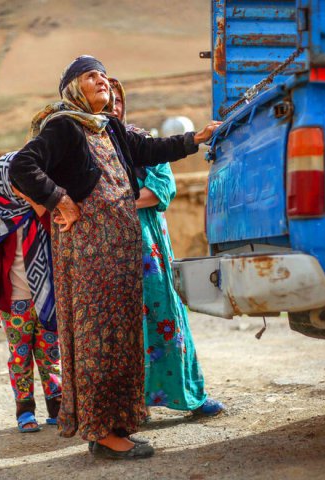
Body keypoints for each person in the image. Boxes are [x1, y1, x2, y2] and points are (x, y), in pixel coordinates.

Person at [8, 55, 220, 460]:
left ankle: (118, 425)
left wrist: (195, 138)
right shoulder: (65, 126)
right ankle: (103, 434)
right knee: (99, 340)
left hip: (118, 254)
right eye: (92, 76)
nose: (102, 80)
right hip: (90, 255)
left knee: (121, 338)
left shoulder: (108, 128)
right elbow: (22, 166)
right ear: (73, 88)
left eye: (104, 74)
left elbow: (150, 148)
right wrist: (59, 200)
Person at [109, 78, 225, 419]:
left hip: (149, 249)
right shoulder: (91, 147)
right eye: (106, 101)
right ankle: (133, 405)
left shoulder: (141, 141)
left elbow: (161, 188)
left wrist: (109, 203)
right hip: (107, 250)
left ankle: (190, 395)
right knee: (121, 328)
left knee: (166, 317)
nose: (113, 107)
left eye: (117, 100)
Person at [0, 152, 62, 433]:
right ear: (3, 182)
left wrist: (32, 198)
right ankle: (25, 412)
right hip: (14, 302)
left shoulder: (41, 212)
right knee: (19, 356)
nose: (21, 186)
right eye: (15, 181)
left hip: (47, 299)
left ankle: (57, 407)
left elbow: (53, 228)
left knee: (50, 353)